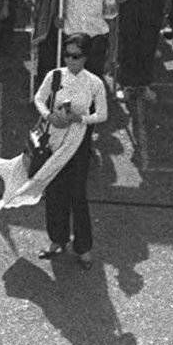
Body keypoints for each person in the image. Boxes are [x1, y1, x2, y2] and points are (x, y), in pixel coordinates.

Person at [34, 38, 109, 265]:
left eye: (75, 56)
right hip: (55, 141)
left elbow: (103, 115)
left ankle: (83, 248)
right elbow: (39, 99)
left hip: (79, 142)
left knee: (78, 195)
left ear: (85, 57)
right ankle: (57, 240)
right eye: (67, 55)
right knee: (54, 192)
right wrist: (50, 116)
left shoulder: (94, 82)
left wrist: (80, 118)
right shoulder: (55, 76)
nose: (70, 60)